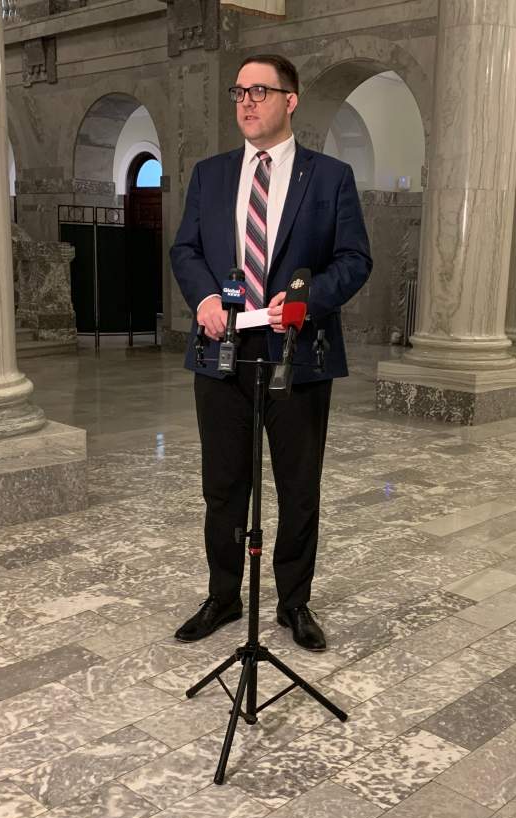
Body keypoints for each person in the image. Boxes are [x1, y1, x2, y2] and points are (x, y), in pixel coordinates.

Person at [169, 53, 372, 651]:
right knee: (224, 484)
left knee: (298, 484)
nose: (247, 102)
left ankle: (294, 603)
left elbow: (354, 260)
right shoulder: (209, 174)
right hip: (222, 349)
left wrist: (308, 302)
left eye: (260, 91)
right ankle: (224, 596)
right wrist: (204, 296)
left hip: (297, 352)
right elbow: (185, 250)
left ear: (291, 99)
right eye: (239, 92)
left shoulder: (329, 177)